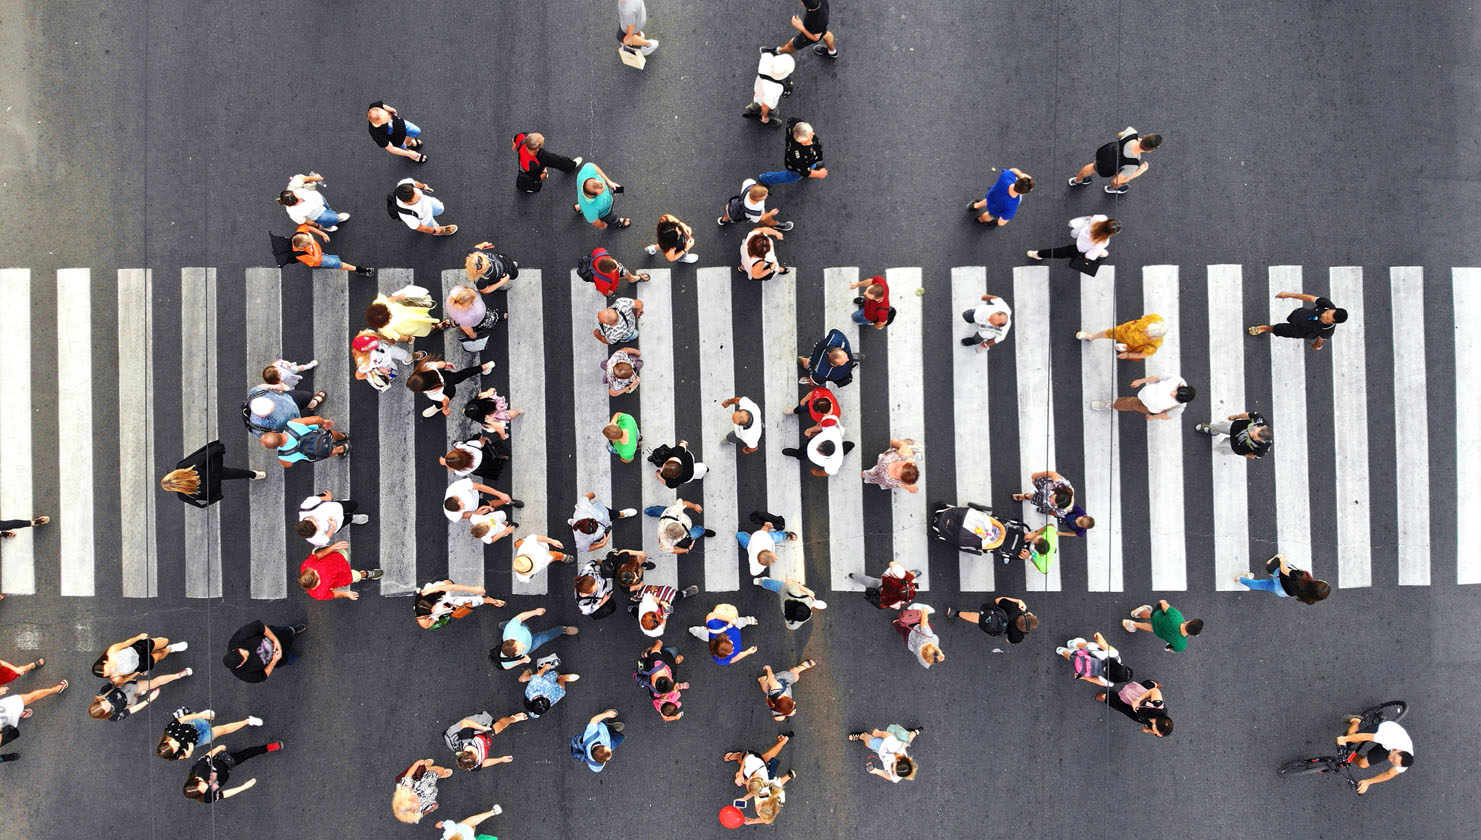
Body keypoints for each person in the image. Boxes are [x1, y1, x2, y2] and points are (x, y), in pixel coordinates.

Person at [160, 441, 265, 507]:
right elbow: (202, 457)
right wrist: (216, 448)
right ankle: (254, 475)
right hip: (215, 470)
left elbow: (200, 501)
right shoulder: (183, 466)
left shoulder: (183, 495)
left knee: (230, 474)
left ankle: (254, 475)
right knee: (233, 473)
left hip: (214, 484)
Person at [183, 740, 285, 802]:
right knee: (230, 768)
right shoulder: (206, 797)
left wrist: (218, 748)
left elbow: (207, 756)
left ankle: (268, 747)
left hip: (225, 761)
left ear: (194, 779)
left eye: (200, 784)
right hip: (223, 775)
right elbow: (224, 794)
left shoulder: (198, 769)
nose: (204, 787)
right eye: (201, 791)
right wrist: (243, 787)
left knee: (245, 754)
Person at [1068, 127, 1163, 194]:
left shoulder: (1131, 132)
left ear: (1145, 136)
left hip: (1105, 152)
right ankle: (1111, 189)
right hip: (1109, 167)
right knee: (1120, 181)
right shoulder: (1133, 164)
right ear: (1149, 150)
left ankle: (1077, 180)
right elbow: (1117, 180)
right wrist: (1139, 171)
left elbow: (1119, 135)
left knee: (1093, 167)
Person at [1338, 713, 1414, 794]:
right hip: (1384, 729)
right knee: (1351, 739)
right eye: (1393, 758)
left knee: (1362, 764)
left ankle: (1348, 753)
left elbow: (1389, 774)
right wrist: (1345, 739)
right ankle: (1356, 720)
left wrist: (1368, 782)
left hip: (1389, 748)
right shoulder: (1390, 739)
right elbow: (1366, 736)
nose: (1390, 759)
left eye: (1393, 763)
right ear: (1399, 751)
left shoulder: (1403, 763)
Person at [1247, 290, 1348, 351]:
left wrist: (1316, 347)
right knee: (1290, 318)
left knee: (1278, 329)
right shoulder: (1327, 304)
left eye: (1327, 317)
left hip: (1299, 331)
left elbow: (1319, 341)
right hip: (1301, 315)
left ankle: (1265, 328)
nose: (1324, 314)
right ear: (1332, 309)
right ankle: (1271, 327)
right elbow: (1310, 298)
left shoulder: (1328, 331)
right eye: (1327, 312)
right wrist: (1288, 295)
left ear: (1333, 322)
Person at [156, 709, 263, 761]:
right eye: (177, 748)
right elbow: (185, 756)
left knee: (204, 718)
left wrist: (201, 715)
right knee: (222, 730)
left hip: (193, 724)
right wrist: (189, 752)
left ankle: (202, 716)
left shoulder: (169, 730)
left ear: (166, 741)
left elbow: (183, 719)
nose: (178, 745)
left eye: (174, 744)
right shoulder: (173, 755)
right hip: (199, 739)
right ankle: (248, 721)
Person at [88, 668, 190, 721]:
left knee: (154, 683)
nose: (107, 702)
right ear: (105, 713)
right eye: (106, 706)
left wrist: (135, 673)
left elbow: (116, 681)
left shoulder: (102, 693)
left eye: (103, 701)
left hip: (128, 688)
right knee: (137, 696)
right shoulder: (112, 716)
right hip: (131, 702)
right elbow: (131, 710)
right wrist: (148, 700)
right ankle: (140, 694)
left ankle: (178, 675)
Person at [408, 357, 498, 418]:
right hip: (446, 376)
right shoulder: (426, 367)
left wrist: (445, 409)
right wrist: (446, 364)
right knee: (462, 375)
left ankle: (437, 407)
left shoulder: (433, 393)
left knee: (439, 403)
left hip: (447, 390)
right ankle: (485, 367)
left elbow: (445, 400)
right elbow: (440, 364)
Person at [222, 620, 305, 684]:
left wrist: (275, 640)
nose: (246, 652)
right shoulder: (244, 674)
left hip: (275, 635)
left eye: (241, 650)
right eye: (245, 656)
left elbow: (259, 626)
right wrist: (274, 661)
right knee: (292, 658)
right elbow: (263, 676)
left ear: (234, 650)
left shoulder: (237, 639)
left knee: (285, 632)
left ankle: (292, 630)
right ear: (240, 664)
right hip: (279, 658)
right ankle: (290, 657)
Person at [495, 607, 578, 670]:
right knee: (543, 637)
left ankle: (503, 625)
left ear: (512, 640)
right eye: (522, 649)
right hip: (532, 644)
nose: (524, 646)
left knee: (509, 624)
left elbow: (520, 617)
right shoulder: (506, 660)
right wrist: (522, 661)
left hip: (523, 629)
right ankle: (562, 629)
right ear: (514, 656)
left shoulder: (511, 629)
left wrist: (535, 612)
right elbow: (507, 667)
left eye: (521, 644)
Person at [298, 541, 382, 601]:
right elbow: (333, 594)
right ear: (317, 581)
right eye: (316, 573)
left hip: (336, 557)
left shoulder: (306, 566)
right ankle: (366, 574)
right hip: (344, 576)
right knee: (358, 576)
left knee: (344, 553)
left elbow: (317, 556)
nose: (316, 570)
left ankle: (323, 548)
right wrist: (346, 594)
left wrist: (333, 547)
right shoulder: (319, 594)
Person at [443, 712, 524, 772]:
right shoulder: (474, 766)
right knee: (499, 726)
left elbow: (465, 722)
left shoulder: (467, 740)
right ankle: (512, 719)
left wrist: (483, 728)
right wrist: (501, 759)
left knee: (500, 725)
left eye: (477, 758)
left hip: (483, 734)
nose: (479, 759)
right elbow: (484, 763)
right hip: (485, 741)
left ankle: (513, 719)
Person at [1090, 375, 1196, 420]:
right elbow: (1156, 378)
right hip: (1145, 393)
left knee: (1131, 403)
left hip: (1147, 406)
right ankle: (1114, 404)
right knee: (1131, 402)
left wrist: (1154, 417)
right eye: (1176, 390)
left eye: (1175, 396)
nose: (1172, 393)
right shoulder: (1176, 380)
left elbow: (1166, 415)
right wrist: (1140, 381)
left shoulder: (1179, 408)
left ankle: (1113, 405)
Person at [1236, 553, 1331, 603]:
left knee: (1285, 563)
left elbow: (1284, 570)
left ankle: (1273, 561)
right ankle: (1241, 579)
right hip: (1282, 591)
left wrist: (1282, 561)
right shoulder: (1308, 597)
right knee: (1262, 585)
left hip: (1280, 576)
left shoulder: (1300, 576)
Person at [1027, 215, 1120, 266]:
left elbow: (1091, 219)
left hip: (1081, 236)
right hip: (1080, 249)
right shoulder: (1102, 242)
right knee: (1059, 253)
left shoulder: (1100, 219)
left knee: (1057, 252)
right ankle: (1036, 254)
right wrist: (1098, 252)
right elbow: (1089, 256)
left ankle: (1037, 254)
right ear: (1110, 234)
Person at [782, 411, 854, 477]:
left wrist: (816, 473)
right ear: (823, 441)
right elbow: (821, 427)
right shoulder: (833, 431)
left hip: (833, 452)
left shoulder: (834, 463)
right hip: (832, 445)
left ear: (824, 454)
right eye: (819, 446)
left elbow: (826, 473)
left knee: (842, 450)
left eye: (819, 450)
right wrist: (811, 431)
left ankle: (799, 455)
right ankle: (849, 445)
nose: (816, 448)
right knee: (843, 449)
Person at [93, 634, 185, 684]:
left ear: (105, 661)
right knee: (160, 655)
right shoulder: (116, 678)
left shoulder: (112, 651)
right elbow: (125, 680)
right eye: (109, 673)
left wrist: (138, 637)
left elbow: (126, 643)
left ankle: (161, 644)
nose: (112, 669)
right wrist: (138, 672)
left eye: (108, 668)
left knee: (165, 641)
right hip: (140, 664)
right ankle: (170, 649)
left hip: (138, 649)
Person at [287, 223, 375, 276]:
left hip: (317, 253)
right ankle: (358, 269)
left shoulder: (300, 231)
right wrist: (313, 245)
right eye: (309, 244)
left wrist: (322, 234)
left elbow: (308, 227)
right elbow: (317, 260)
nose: (311, 241)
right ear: (302, 248)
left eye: (309, 238)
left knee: (330, 259)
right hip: (319, 259)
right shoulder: (302, 256)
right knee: (336, 263)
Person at [759, 119, 827, 187]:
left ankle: (812, 165)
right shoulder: (797, 156)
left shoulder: (797, 125)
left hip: (807, 160)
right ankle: (765, 179)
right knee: (791, 177)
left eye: (812, 133)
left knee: (810, 160)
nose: (813, 135)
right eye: (810, 139)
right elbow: (805, 171)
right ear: (802, 142)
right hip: (796, 168)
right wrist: (818, 174)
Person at [261, 415, 350, 467]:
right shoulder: (291, 424)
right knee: (329, 435)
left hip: (314, 452)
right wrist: (323, 422)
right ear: (274, 432)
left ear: (274, 447)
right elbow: (316, 419)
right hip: (318, 436)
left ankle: (342, 449)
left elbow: (288, 465)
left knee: (324, 451)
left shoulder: (283, 456)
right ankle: (343, 436)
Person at [1097, 679, 1173, 738]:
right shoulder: (1158, 707)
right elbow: (1155, 691)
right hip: (1141, 699)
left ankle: (1108, 697)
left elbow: (1153, 731)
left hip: (1140, 714)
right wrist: (1138, 700)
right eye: (1156, 733)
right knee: (1140, 690)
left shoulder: (1156, 728)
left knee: (1124, 709)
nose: (1156, 734)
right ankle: (1153, 684)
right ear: (1157, 724)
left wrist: (1148, 730)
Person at [416, 580, 504, 631]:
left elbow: (450, 588)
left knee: (448, 583)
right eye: (433, 610)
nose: (435, 608)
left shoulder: (427, 592)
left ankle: (487, 600)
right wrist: (439, 613)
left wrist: (473, 589)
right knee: (468, 601)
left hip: (443, 596)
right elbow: (428, 624)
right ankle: (488, 600)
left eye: (433, 606)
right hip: (449, 603)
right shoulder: (423, 620)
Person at [366, 286, 445, 343]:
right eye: (388, 318)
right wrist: (408, 339)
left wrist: (398, 297)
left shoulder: (378, 303)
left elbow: (388, 300)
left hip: (411, 313)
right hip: (413, 326)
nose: (390, 316)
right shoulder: (386, 330)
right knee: (425, 327)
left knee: (423, 317)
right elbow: (398, 337)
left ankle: (433, 326)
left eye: (388, 313)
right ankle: (434, 327)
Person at [243, 382, 322, 437]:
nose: (274, 404)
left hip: (289, 399)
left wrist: (275, 386)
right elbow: (265, 437)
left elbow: (261, 387)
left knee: (307, 396)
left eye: (271, 402)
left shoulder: (256, 394)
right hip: (290, 424)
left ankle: (312, 405)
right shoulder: (258, 427)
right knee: (306, 427)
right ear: (262, 415)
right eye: (271, 408)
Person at [1075, 313, 1167, 361]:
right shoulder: (1155, 318)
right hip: (1124, 330)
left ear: (1154, 338)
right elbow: (1145, 317)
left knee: (1131, 348)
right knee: (1109, 332)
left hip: (1133, 343)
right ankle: (1091, 337)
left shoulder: (1153, 346)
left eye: (1148, 335)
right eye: (1146, 329)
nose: (1144, 332)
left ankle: (1126, 348)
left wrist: (1127, 355)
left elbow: (1142, 355)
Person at [511, 131, 581, 193]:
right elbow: (536, 178)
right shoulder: (534, 163)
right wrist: (543, 174)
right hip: (533, 167)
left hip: (523, 165)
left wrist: (514, 145)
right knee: (556, 160)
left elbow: (514, 139)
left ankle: (525, 188)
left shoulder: (522, 136)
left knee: (524, 181)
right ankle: (570, 165)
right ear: (537, 148)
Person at [1122, 600, 1204, 653]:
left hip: (1157, 617)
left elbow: (1163, 604)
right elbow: (1172, 650)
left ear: (1189, 621)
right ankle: (1132, 624)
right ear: (1195, 635)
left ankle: (1137, 613)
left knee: (1153, 615)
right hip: (1159, 632)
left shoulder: (1177, 616)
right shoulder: (1181, 644)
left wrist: (1163, 602)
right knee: (1153, 628)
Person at [946, 597, 1038, 644]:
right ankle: (955, 614)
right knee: (980, 619)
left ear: (1028, 615)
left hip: (996, 613)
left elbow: (998, 600)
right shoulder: (1018, 637)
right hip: (994, 625)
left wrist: (1019, 601)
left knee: (977, 616)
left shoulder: (1014, 608)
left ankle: (956, 613)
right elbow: (1008, 640)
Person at [295, 490, 370, 548]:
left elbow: (316, 499)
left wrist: (327, 498)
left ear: (309, 520)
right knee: (347, 519)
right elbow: (325, 538)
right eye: (317, 529)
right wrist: (333, 527)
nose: (319, 526)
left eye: (316, 524)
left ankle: (342, 503)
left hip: (337, 507)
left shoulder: (306, 506)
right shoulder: (313, 539)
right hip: (337, 524)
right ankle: (352, 518)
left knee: (354, 504)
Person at [689, 603, 759, 665]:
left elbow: (710, 616)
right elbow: (732, 660)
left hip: (730, 625)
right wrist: (747, 652)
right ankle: (695, 630)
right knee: (739, 623)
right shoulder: (720, 660)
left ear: (725, 638)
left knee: (703, 634)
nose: (732, 651)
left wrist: (729, 620)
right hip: (734, 628)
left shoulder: (716, 628)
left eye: (731, 647)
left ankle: (694, 630)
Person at [634, 640, 687, 720]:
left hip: (662, 657)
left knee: (673, 650)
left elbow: (658, 644)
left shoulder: (658, 664)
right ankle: (646, 654)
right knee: (673, 651)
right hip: (660, 661)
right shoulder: (654, 693)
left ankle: (646, 653)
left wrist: (659, 642)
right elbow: (665, 717)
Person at [276, 172, 349, 230]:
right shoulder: (293, 213)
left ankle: (329, 220)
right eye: (297, 200)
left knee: (327, 207)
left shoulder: (292, 187)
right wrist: (317, 226)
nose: (300, 198)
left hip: (318, 199)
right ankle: (333, 221)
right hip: (318, 215)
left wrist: (315, 178)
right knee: (333, 218)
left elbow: (301, 178)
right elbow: (306, 221)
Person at [848, 724, 920, 783]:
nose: (890, 769)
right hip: (883, 745)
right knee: (868, 743)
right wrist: (878, 733)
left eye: (892, 771)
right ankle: (862, 735)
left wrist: (876, 771)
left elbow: (890, 777)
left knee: (904, 744)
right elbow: (888, 736)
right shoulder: (894, 747)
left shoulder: (897, 776)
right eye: (892, 765)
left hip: (884, 753)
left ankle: (913, 733)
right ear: (898, 760)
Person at [1055, 631, 1131, 687]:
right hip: (1082, 664)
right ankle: (1061, 651)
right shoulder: (1109, 682)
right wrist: (1082, 677)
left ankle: (1073, 644)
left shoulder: (1115, 655)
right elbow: (1092, 679)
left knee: (1091, 646)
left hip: (1088, 652)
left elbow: (1102, 644)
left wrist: (1099, 635)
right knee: (1072, 657)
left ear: (1121, 666)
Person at [569, 492, 636, 554]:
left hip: (605, 514)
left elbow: (587, 496)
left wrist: (592, 495)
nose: (598, 525)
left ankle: (622, 514)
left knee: (614, 513)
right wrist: (601, 544)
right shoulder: (582, 540)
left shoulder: (583, 508)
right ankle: (573, 522)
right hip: (602, 518)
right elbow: (584, 549)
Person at [644, 499, 716, 555]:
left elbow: (683, 503)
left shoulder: (672, 513)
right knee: (697, 531)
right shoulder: (675, 513)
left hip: (665, 514)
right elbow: (672, 550)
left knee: (659, 510)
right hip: (667, 514)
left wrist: (694, 506)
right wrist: (687, 550)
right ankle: (703, 531)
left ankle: (648, 511)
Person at [392, 758, 452, 824]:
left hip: (422, 780)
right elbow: (422, 813)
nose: (416, 802)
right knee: (434, 777)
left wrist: (417, 764)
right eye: (416, 807)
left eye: (411, 800)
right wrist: (431, 809)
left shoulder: (406, 788)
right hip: (429, 790)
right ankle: (429, 769)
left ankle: (431, 770)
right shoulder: (415, 814)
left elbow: (409, 774)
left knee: (439, 770)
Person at [736, 511, 797, 576]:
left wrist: (767, 526)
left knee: (739, 535)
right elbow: (752, 573)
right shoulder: (757, 564)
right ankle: (785, 535)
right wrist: (768, 526)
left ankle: (785, 535)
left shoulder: (762, 540)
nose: (777, 558)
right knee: (776, 537)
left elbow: (763, 531)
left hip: (753, 542)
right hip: (750, 545)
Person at [753, 576, 826, 630]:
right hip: (784, 603)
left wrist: (806, 590)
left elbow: (789, 582)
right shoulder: (793, 623)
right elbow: (790, 627)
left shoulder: (795, 593)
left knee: (774, 585)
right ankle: (813, 603)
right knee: (810, 600)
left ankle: (761, 582)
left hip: (785, 591)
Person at [630, 584, 701, 639]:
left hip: (646, 609)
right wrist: (664, 616)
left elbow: (649, 596)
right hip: (657, 611)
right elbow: (662, 626)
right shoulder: (656, 632)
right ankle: (683, 594)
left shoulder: (646, 605)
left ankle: (632, 609)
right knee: (673, 599)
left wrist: (662, 602)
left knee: (637, 612)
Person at [574, 160, 630, 229]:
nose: (605, 188)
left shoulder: (587, 170)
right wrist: (602, 225)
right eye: (602, 191)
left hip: (585, 204)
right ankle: (617, 223)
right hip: (605, 213)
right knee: (612, 218)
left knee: (584, 205)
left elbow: (594, 167)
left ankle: (580, 207)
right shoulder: (590, 208)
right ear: (593, 196)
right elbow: (594, 221)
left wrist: (609, 182)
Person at [745, 51, 796, 127]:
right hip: (765, 99)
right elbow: (766, 104)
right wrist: (764, 115)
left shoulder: (766, 59)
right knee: (772, 110)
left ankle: (753, 107)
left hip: (759, 91)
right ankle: (768, 117)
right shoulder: (775, 88)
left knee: (757, 100)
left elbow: (765, 53)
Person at [718, 179, 793, 230]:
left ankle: (723, 220)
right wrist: (770, 213)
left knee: (729, 213)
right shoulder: (755, 210)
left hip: (733, 205)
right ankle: (776, 225)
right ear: (758, 199)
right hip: (744, 213)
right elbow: (760, 219)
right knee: (767, 219)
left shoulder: (748, 183)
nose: (767, 195)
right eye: (765, 195)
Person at [392, 178, 457, 236]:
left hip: (428, 202)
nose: (419, 196)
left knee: (440, 208)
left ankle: (432, 215)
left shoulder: (404, 185)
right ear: (407, 203)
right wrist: (434, 230)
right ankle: (439, 231)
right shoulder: (406, 215)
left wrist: (423, 186)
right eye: (417, 200)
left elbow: (414, 183)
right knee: (433, 226)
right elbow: (420, 227)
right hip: (425, 218)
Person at [968, 167, 1033, 225]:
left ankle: (974, 206)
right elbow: (1000, 223)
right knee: (989, 216)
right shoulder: (1013, 204)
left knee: (987, 200)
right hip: (995, 210)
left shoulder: (1006, 176)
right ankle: (980, 219)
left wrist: (1022, 176)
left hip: (991, 196)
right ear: (1022, 193)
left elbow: (1013, 170)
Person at [1196, 410, 1273, 459]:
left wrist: (1242, 454)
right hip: (1234, 427)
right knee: (1218, 426)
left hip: (1235, 446)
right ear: (1263, 426)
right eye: (1254, 430)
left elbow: (1254, 456)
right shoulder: (1259, 420)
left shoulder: (1263, 449)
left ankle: (1214, 447)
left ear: (1262, 441)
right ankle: (1211, 430)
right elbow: (1248, 415)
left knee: (1221, 448)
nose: (1250, 433)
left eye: (1253, 436)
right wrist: (1236, 416)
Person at [443, 477, 521, 523]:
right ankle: (507, 502)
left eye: (462, 505)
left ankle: (505, 499)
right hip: (476, 506)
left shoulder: (456, 487)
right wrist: (475, 513)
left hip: (474, 492)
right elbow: (463, 515)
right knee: (490, 504)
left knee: (488, 493)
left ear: (456, 497)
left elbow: (480, 487)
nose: (464, 508)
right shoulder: (451, 514)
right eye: (462, 509)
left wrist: (500, 494)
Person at [847, 561, 918, 610]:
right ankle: (854, 576)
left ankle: (854, 576)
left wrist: (909, 575)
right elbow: (895, 607)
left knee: (871, 581)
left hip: (882, 583)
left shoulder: (900, 574)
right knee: (872, 584)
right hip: (881, 593)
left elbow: (892, 563)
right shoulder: (900, 601)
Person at [581, 246, 649, 296]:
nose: (618, 265)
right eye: (616, 267)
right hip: (608, 281)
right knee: (625, 273)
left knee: (624, 272)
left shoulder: (600, 252)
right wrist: (609, 292)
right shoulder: (603, 280)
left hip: (603, 278)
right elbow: (604, 290)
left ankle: (632, 279)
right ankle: (632, 279)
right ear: (610, 272)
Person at [893, 604, 945, 668]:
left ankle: (899, 622)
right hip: (909, 642)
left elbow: (924, 622)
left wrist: (925, 610)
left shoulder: (928, 637)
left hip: (915, 630)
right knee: (903, 632)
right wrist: (938, 658)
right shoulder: (924, 662)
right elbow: (931, 660)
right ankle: (896, 623)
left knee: (923, 623)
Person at [441, 435, 509, 484]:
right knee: (492, 456)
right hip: (486, 457)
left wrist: (446, 463)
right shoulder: (468, 447)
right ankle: (503, 457)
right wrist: (484, 438)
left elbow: (452, 470)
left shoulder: (461, 471)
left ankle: (502, 460)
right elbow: (481, 443)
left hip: (481, 469)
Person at [435, 805, 504, 840]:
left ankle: (474, 830)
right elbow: (449, 824)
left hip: (470, 836)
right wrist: (442, 823)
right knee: (471, 822)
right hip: (463, 827)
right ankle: (493, 812)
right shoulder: (449, 833)